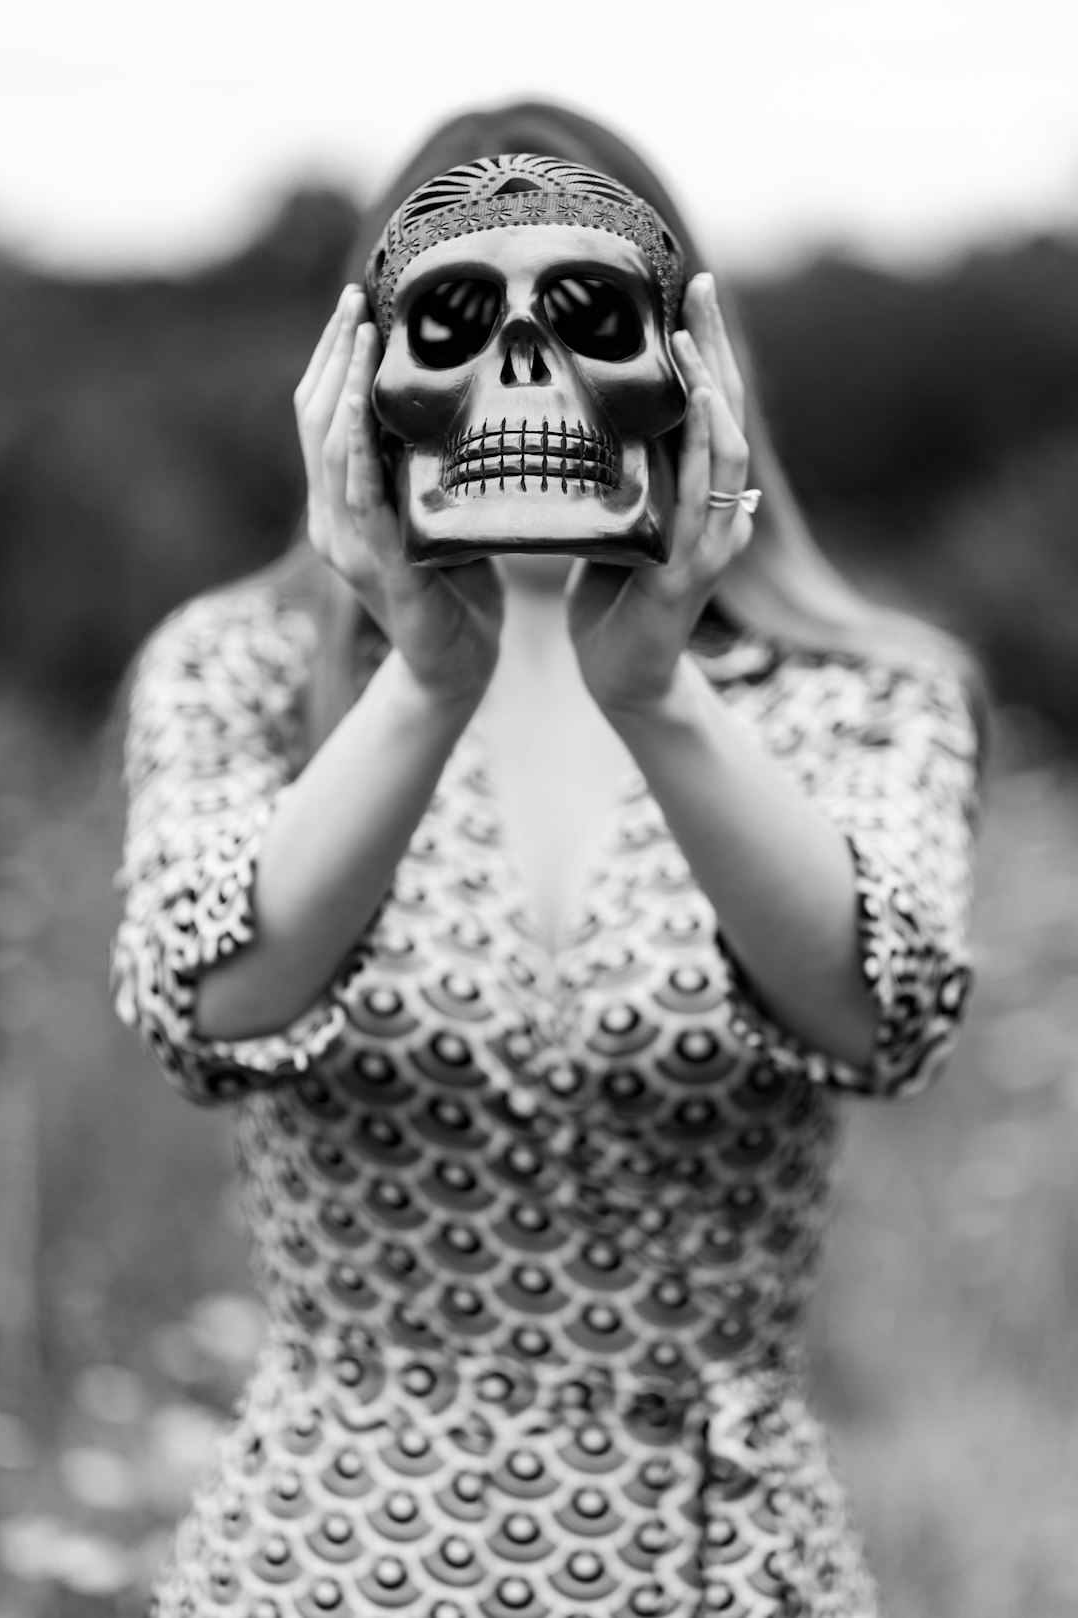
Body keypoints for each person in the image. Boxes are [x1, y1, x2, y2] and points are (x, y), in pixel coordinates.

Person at [112, 100, 982, 1618]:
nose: (532, 375)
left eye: (592, 324)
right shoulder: (241, 668)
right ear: (361, 373)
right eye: (453, 321)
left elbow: (881, 1006)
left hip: (711, 1552)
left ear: (691, 365)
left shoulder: (860, 690)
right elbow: (206, 1001)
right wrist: (420, 674)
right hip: (335, 1551)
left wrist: (654, 686)